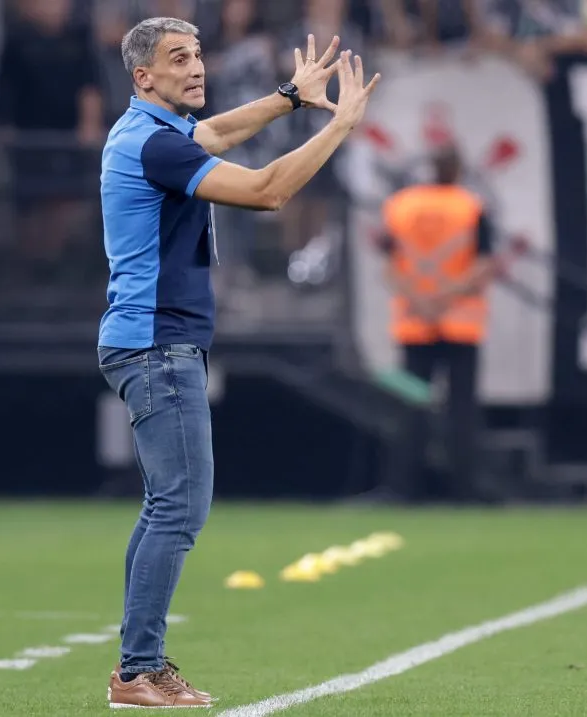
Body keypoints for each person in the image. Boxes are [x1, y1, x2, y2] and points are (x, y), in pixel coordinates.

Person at [97, 15, 380, 709]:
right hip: (158, 342)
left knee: (167, 505)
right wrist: (338, 126)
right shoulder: (156, 147)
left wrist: (288, 95)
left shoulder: (146, 134)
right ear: (144, 77)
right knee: (179, 506)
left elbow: (217, 134)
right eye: (177, 59)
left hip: (147, 338)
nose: (196, 68)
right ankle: (138, 670)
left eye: (197, 55)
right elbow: (268, 190)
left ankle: (139, 663)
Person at [378, 145, 498, 503]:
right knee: (462, 411)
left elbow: (389, 266)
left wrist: (421, 302)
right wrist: (445, 298)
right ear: (458, 169)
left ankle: (404, 489)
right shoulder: (472, 207)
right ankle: (464, 490)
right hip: (461, 325)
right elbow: (483, 265)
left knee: (411, 411)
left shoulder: (400, 206)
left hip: (415, 324)